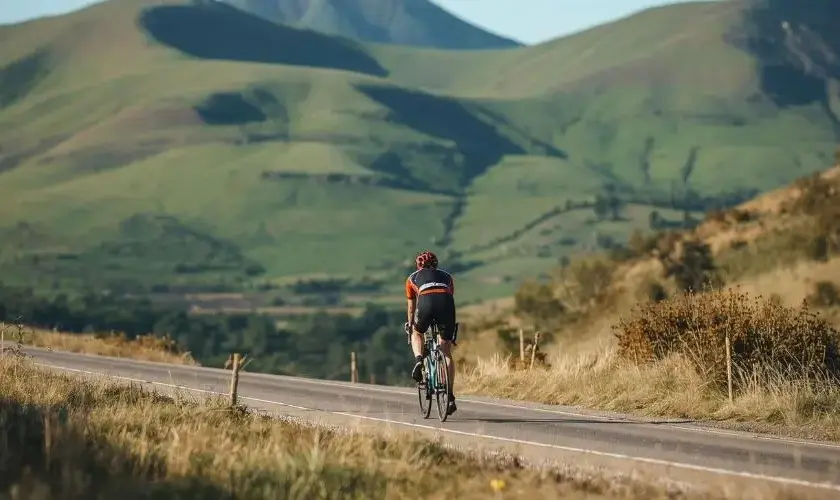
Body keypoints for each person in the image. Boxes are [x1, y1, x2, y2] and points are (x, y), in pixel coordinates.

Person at [404, 250, 458, 415]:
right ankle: (449, 396)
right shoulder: (447, 276)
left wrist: (411, 324)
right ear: (436, 264)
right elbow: (448, 296)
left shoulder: (412, 278)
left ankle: (419, 360)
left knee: (417, 332)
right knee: (446, 349)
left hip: (425, 302)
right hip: (446, 304)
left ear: (418, 265)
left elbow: (412, 307)